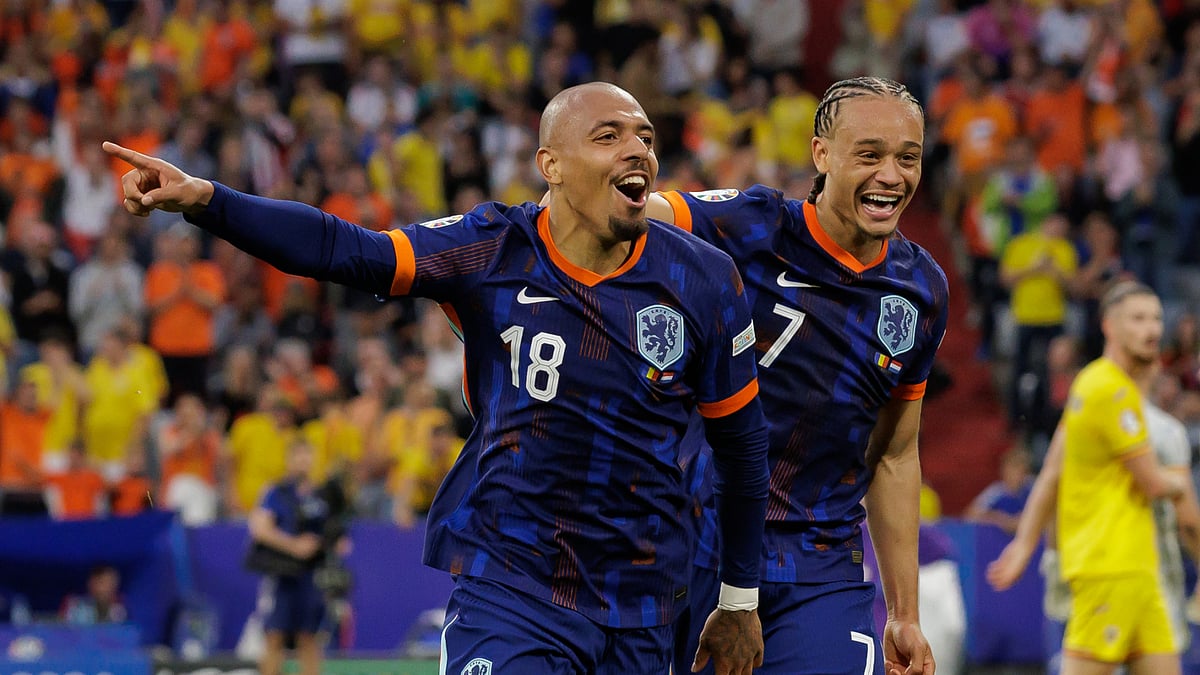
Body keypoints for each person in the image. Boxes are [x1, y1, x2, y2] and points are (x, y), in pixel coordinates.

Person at [103, 81, 771, 675]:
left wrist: (740, 598)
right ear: (552, 166)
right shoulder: (492, 248)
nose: (638, 150)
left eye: (646, 138)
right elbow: (346, 249)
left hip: (643, 597)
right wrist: (206, 199)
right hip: (514, 582)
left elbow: (742, 451)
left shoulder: (702, 278)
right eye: (610, 135)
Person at [644, 76, 947, 675]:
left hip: (821, 560)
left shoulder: (919, 290)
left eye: (907, 158)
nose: (892, 175)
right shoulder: (751, 228)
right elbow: (637, 210)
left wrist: (904, 614)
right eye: (870, 154)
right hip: (703, 542)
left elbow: (892, 454)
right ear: (821, 154)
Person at [987, 281, 1192, 675]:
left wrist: (1025, 543)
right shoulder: (1107, 389)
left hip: (1140, 570)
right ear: (1109, 326)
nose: (1151, 329)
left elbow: (1050, 472)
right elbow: (1154, 483)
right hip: (1107, 567)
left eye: (1156, 318)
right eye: (1137, 318)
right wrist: (1179, 482)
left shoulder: (1098, 385)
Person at [247, 438, 340, 675]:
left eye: (307, 456)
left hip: (311, 576)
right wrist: (293, 545)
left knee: (309, 637)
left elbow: (334, 532)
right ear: (288, 460)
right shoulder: (276, 492)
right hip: (282, 575)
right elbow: (260, 528)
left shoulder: (321, 496)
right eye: (298, 456)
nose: (303, 462)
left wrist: (324, 543)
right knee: (275, 635)